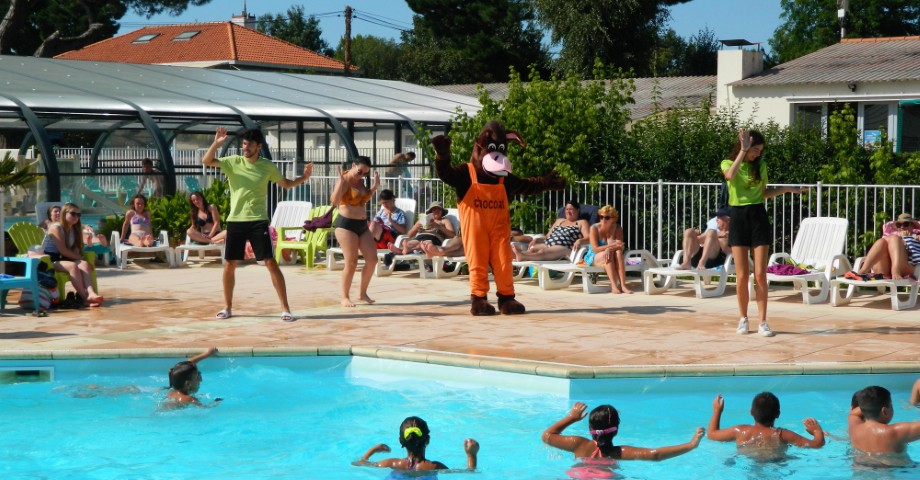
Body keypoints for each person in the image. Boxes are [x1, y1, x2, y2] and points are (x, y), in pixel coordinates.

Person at [203, 127, 313, 322]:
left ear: (258, 146)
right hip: (236, 220)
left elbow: (286, 184)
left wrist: (304, 178)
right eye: (244, 144)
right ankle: (227, 307)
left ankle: (285, 308)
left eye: (249, 144)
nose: (245, 147)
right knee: (230, 264)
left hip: (258, 221)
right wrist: (216, 144)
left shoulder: (267, 166)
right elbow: (207, 161)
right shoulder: (233, 162)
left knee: (270, 262)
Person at [722, 128, 806, 337]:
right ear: (745, 147)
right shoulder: (728, 163)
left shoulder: (761, 165)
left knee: (760, 274)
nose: (758, 154)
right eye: (755, 150)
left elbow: (763, 194)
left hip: (758, 216)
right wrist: (743, 151)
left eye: (760, 150)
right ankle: (743, 319)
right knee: (741, 276)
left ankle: (762, 321)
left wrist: (785, 189)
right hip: (739, 217)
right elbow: (730, 176)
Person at [542, 401, 704, 472]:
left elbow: (547, 436)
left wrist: (572, 417)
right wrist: (691, 445)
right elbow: (656, 455)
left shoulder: (577, 444)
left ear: (590, 428)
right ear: (616, 429)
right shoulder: (620, 452)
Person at [707, 393, 824, 461]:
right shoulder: (782, 434)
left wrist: (717, 411)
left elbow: (711, 434)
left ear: (751, 411)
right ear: (778, 414)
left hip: (747, 463)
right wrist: (817, 431)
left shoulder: (740, 431)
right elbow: (817, 445)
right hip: (775, 463)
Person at [331, 156, 379, 308]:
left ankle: (362, 293)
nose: (361, 175)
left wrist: (374, 186)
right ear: (353, 165)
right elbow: (334, 200)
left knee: (372, 260)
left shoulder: (360, 181)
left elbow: (363, 199)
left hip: (362, 224)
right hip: (346, 225)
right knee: (351, 262)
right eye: (359, 171)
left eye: (365, 173)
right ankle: (344, 297)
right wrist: (340, 183)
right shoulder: (344, 180)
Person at [353, 416, 478, 472]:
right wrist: (471, 455)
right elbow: (469, 471)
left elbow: (359, 463)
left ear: (400, 440)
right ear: (427, 440)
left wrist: (374, 449)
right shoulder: (433, 467)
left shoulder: (391, 463)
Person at [42, 202, 104, 307]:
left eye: (78, 215)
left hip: (64, 259)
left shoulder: (74, 229)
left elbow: (75, 250)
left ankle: (91, 293)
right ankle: (85, 298)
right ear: (64, 213)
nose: (76, 217)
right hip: (50, 260)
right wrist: (81, 257)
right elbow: (63, 250)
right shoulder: (56, 227)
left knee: (84, 264)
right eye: (73, 214)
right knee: (73, 266)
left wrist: (84, 260)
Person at [848, 386, 920, 465]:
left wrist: (868, 406)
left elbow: (853, 414)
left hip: (861, 469)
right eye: (891, 405)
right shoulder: (895, 432)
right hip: (893, 471)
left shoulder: (854, 427)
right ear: (884, 411)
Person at [846, 213, 920, 281]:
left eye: (906, 224)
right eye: (898, 225)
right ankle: (863, 271)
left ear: (912, 225)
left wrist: (908, 238)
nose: (902, 227)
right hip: (884, 269)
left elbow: (916, 257)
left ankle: (896, 270)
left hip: (908, 268)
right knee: (882, 241)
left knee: (894, 238)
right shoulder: (892, 235)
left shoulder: (917, 236)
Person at [514, 200, 590, 262]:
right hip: (548, 243)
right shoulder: (559, 221)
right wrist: (537, 239)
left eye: (571, 209)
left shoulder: (582, 222)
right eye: (566, 209)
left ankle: (522, 256)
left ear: (578, 210)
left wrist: (580, 241)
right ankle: (518, 255)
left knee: (543, 252)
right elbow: (547, 236)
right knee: (533, 249)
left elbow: (589, 238)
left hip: (565, 247)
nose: (568, 211)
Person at [583, 205, 632, 294]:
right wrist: (609, 248)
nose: (603, 220)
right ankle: (613, 285)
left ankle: (623, 285)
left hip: (610, 253)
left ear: (613, 219)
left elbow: (620, 245)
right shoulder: (594, 228)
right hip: (594, 256)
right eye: (601, 217)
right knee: (609, 254)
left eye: (607, 218)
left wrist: (609, 249)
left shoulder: (617, 228)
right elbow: (595, 249)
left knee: (618, 252)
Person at [390, 201, 456, 255]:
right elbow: (409, 235)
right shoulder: (422, 220)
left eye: (438, 209)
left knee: (424, 243)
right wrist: (415, 227)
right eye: (434, 209)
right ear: (431, 212)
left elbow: (453, 235)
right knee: (412, 242)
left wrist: (438, 226)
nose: (436, 211)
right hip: (420, 237)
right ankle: (405, 248)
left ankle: (401, 250)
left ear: (442, 211)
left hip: (434, 239)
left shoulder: (444, 221)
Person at [677, 206, 731, 270]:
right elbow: (699, 239)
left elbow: (728, 250)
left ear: (728, 220)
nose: (716, 219)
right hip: (699, 256)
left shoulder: (733, 232)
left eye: (719, 217)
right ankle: (686, 262)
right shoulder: (714, 231)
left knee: (711, 232)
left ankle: (702, 262)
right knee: (689, 231)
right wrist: (694, 236)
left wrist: (718, 237)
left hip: (714, 260)